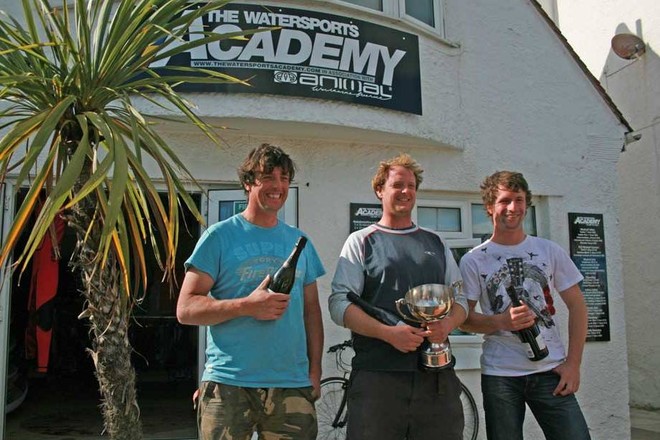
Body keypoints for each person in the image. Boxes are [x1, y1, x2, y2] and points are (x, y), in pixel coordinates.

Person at [176, 143, 325, 440]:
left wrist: (315, 371)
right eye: (268, 177)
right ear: (248, 182)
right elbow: (186, 310)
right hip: (229, 383)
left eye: (284, 178)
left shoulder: (300, 241)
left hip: (291, 383)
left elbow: (311, 311)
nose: (278, 186)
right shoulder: (218, 236)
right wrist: (247, 305)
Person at [328, 153, 468, 440]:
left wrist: (448, 325)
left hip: (436, 378)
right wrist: (388, 333)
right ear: (380, 190)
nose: (406, 191)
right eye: (397, 185)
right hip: (378, 377)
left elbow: (461, 300)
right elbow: (339, 304)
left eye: (411, 186)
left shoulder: (436, 242)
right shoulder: (361, 241)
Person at [459, 171, 590, 440]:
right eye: (505, 200)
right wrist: (501, 322)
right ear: (489, 207)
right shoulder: (474, 260)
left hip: (551, 369)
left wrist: (573, 364)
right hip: (500, 374)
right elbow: (464, 319)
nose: (513, 208)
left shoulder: (548, 250)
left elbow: (578, 307)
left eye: (519, 200)